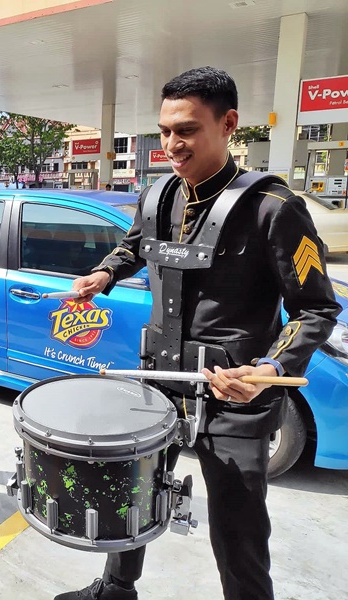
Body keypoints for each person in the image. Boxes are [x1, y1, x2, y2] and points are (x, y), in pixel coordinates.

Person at [57, 66, 341, 600]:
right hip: (160, 377)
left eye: (185, 130)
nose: (171, 144)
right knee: (131, 490)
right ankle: (117, 588)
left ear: (228, 123)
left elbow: (316, 309)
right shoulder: (159, 195)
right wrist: (103, 275)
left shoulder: (274, 210)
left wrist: (271, 369)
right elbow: (133, 246)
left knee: (238, 528)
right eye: (164, 131)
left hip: (234, 392)